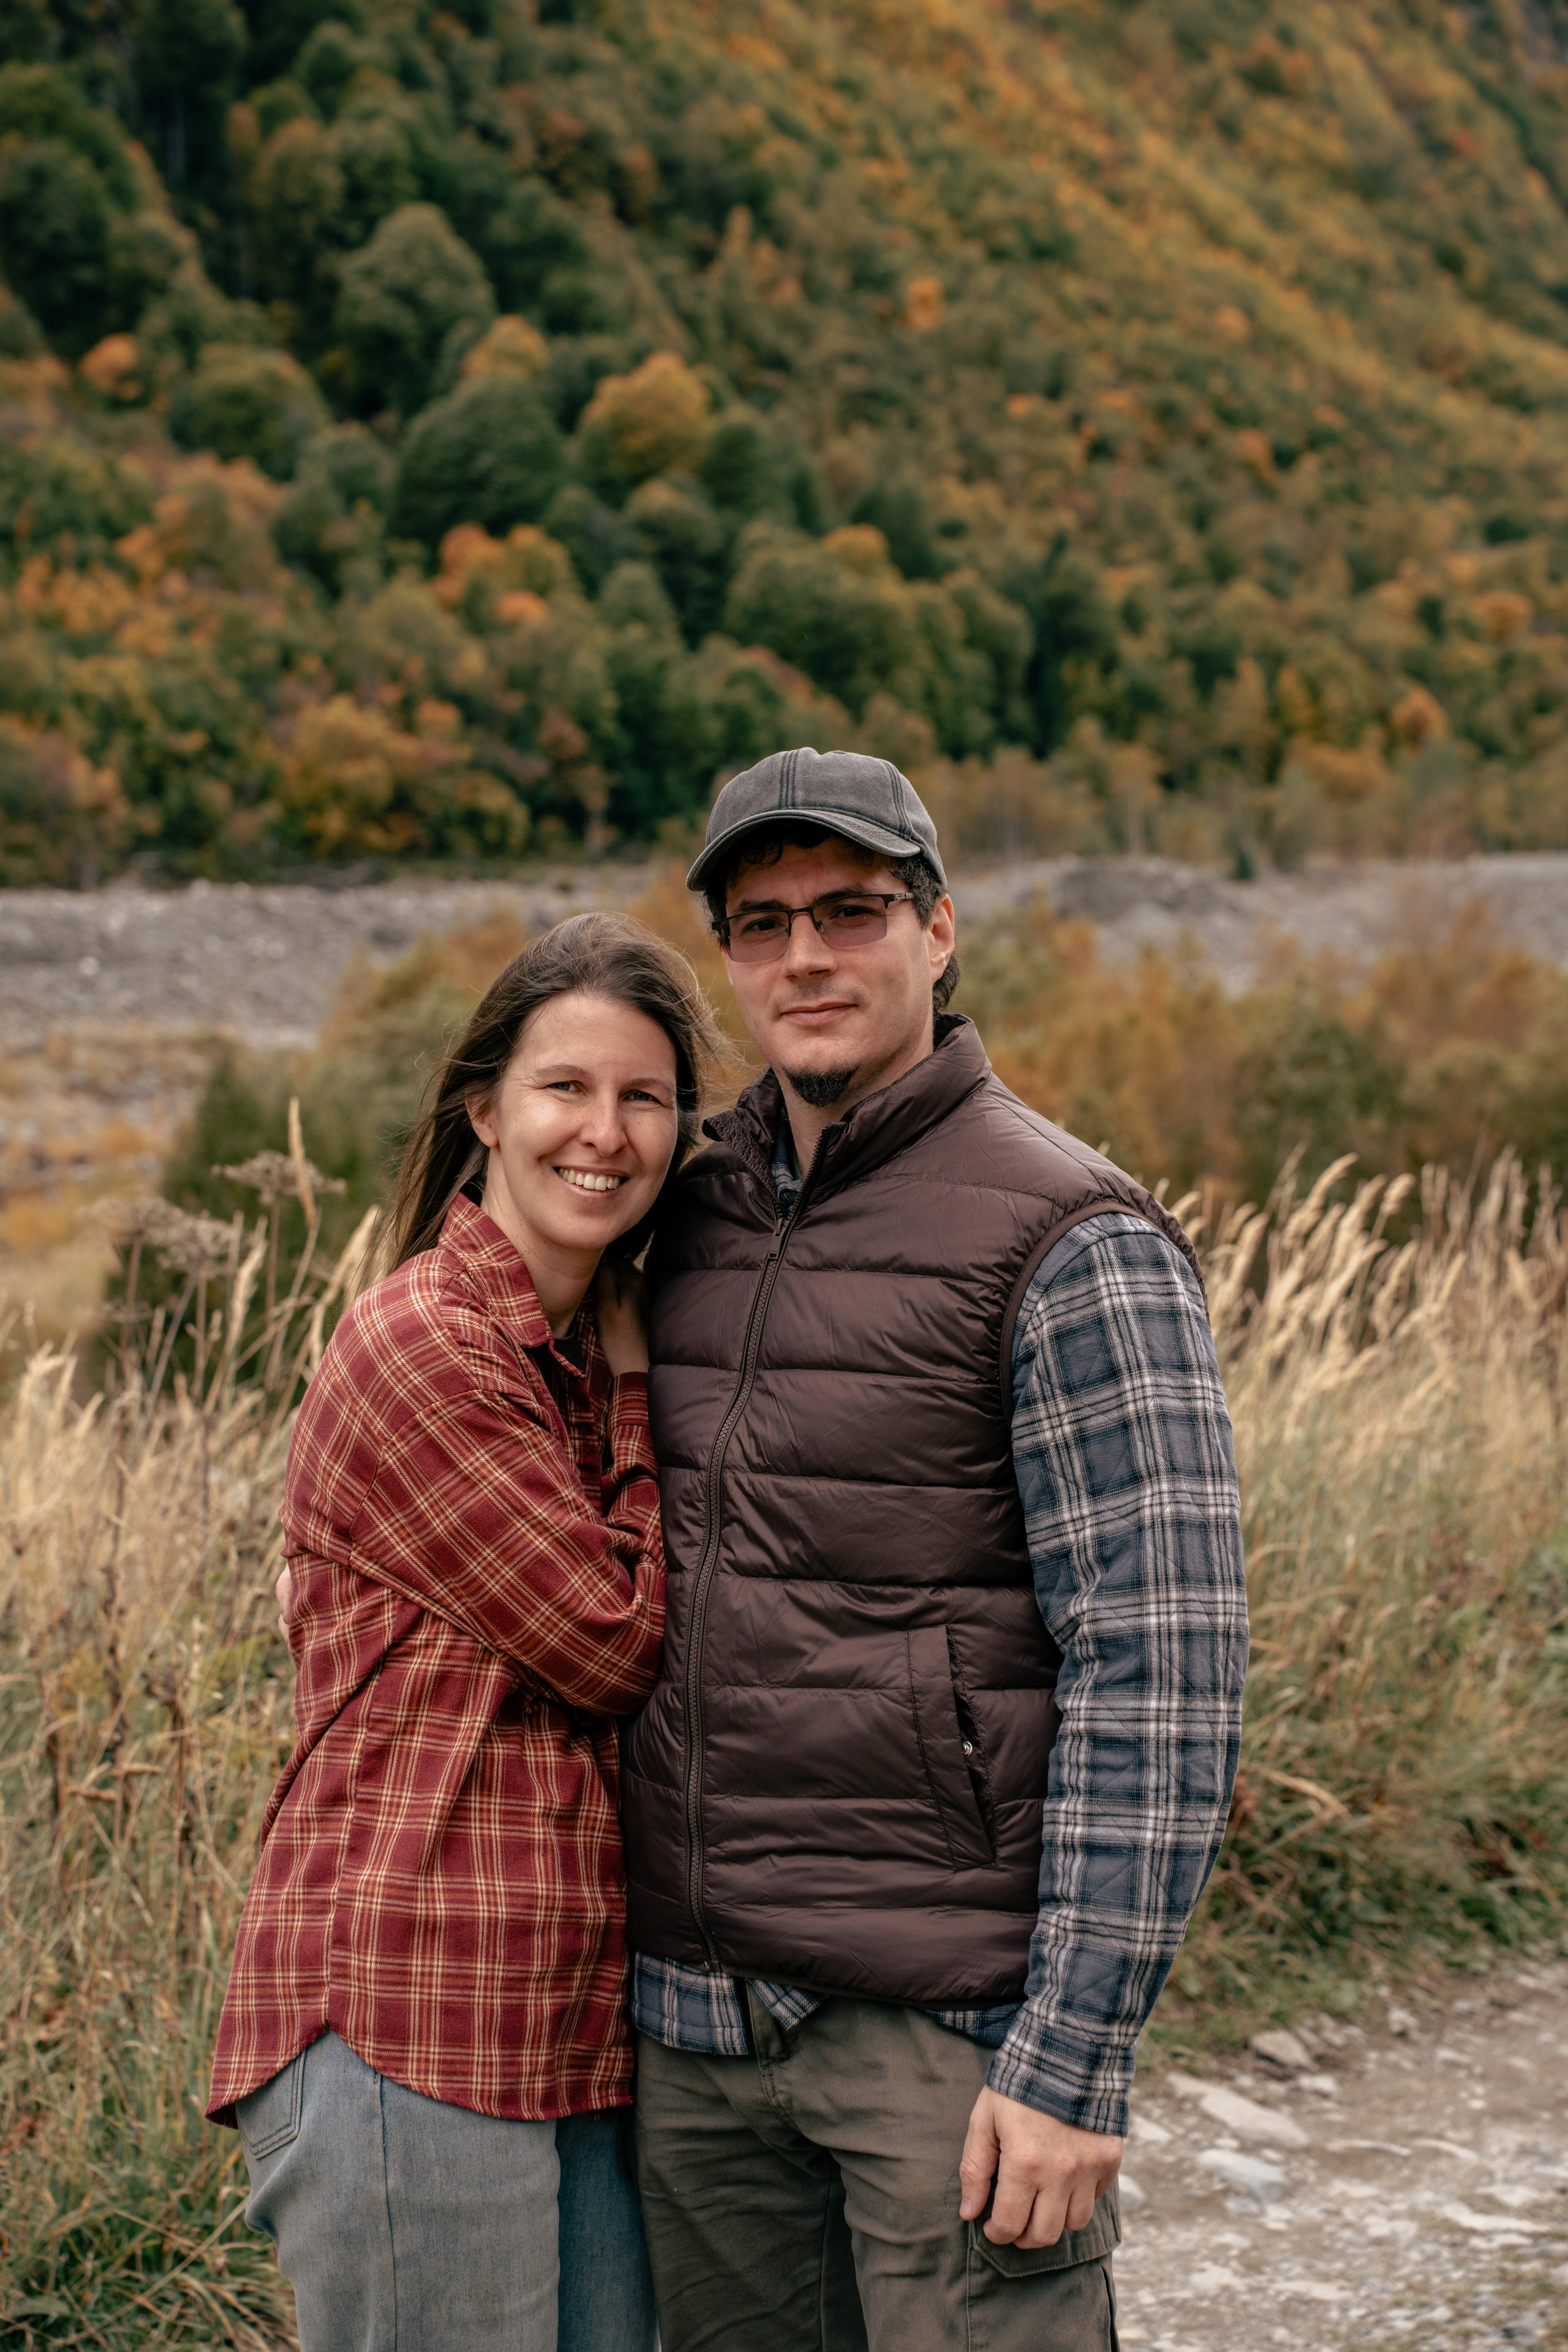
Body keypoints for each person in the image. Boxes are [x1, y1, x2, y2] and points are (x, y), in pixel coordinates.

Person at [625, 749, 1250, 2351]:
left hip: (944, 2048)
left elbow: (1162, 1672)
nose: (805, 957)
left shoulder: (1069, 1238)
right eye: (762, 924)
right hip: (692, 2038)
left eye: (851, 911)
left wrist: (1074, 2059)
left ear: (939, 929)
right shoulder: (679, 1216)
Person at [208, 912, 718, 2352]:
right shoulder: (426, 1346)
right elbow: (612, 1644)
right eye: (566, 1087)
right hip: (405, 2011)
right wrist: (641, 1386)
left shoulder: (566, 1353)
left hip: (558, 2028)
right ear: (485, 1109)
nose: (604, 1133)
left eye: (643, 1097)